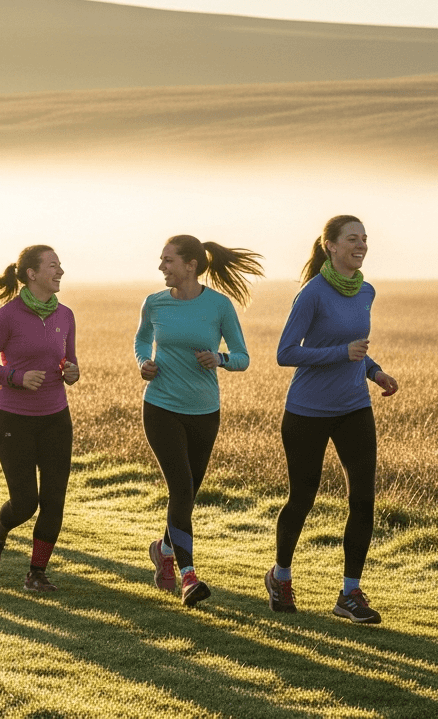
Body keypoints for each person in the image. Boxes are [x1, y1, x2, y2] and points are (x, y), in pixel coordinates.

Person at [269, 215, 400, 624]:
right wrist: (340, 354)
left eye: (364, 238)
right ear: (330, 246)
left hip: (354, 408)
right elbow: (286, 352)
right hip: (307, 411)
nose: (360, 245)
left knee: (362, 499)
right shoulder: (313, 294)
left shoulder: (367, 291)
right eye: (351, 239)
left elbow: (356, 348)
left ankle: (349, 593)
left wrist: (374, 370)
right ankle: (281, 576)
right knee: (302, 498)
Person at [136, 235, 261, 606]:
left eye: (168, 260)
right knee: (181, 489)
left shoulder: (219, 306)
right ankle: (188, 576)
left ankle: (162, 549)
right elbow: (141, 341)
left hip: (205, 412)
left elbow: (242, 356)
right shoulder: (154, 303)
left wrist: (220, 359)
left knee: (187, 493)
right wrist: (144, 363)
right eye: (161, 260)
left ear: (191, 265)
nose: (161, 267)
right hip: (160, 407)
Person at [0, 245, 79, 592]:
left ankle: (36, 573)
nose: (61, 270)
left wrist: (71, 370)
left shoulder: (65, 315)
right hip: (14, 419)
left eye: (60, 265)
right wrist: (17, 378)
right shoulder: (8, 316)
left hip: (55, 418)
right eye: (53, 266)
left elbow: (67, 359)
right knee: (24, 502)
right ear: (32, 274)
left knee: (54, 500)